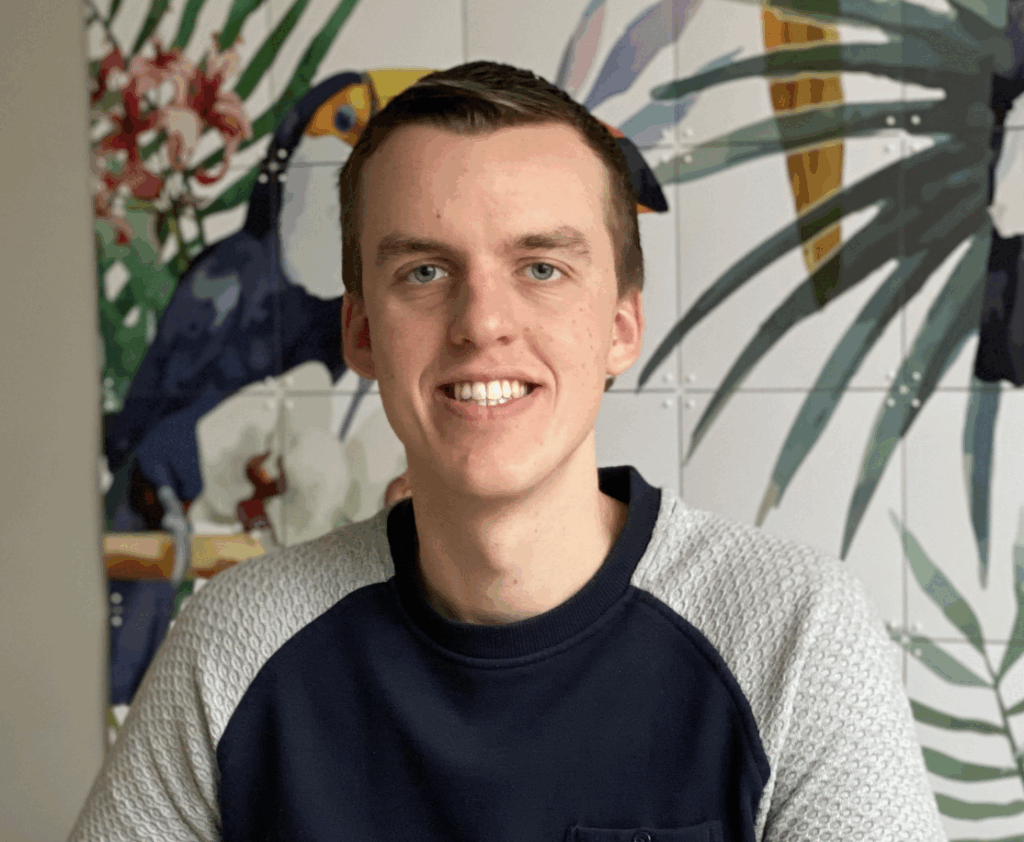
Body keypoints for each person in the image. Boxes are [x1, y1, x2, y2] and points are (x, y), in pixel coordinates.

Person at [69, 61, 946, 842]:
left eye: (541, 268)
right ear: (361, 333)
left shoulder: (794, 637)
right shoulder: (233, 647)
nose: (482, 323)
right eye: (424, 271)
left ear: (622, 325)